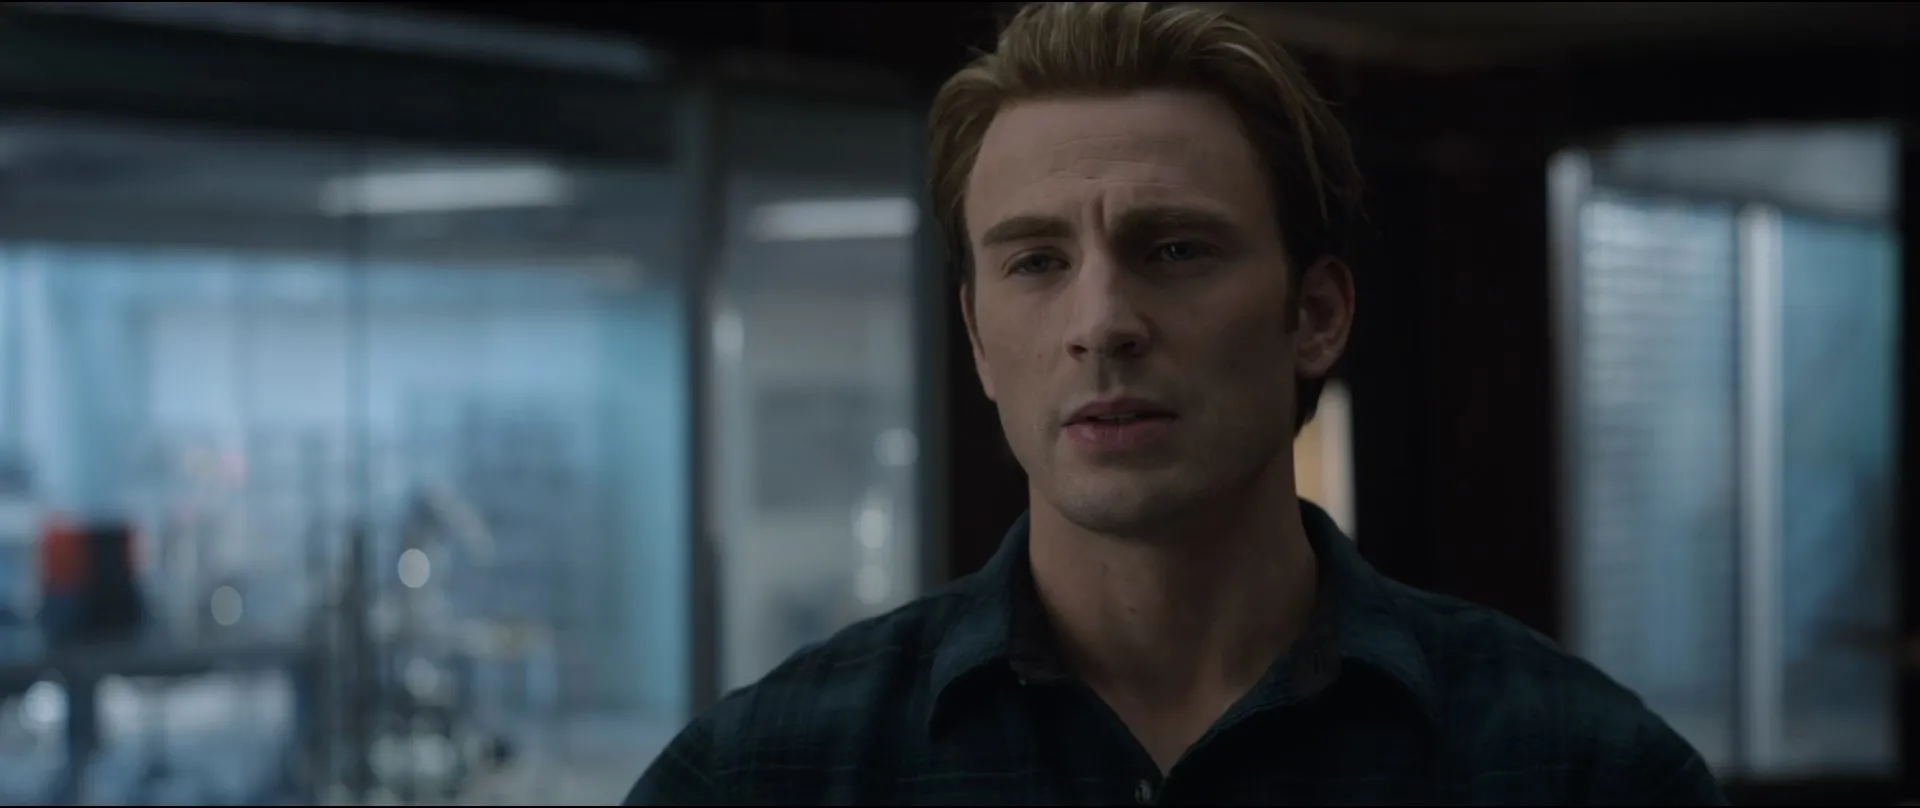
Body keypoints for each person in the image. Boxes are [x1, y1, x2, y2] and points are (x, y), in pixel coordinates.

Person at [626, 2, 1727, 804]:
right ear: (979, 341)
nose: (1102, 321)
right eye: (1037, 261)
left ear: (1316, 314)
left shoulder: (1577, 772)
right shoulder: (768, 775)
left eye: (1176, 249)